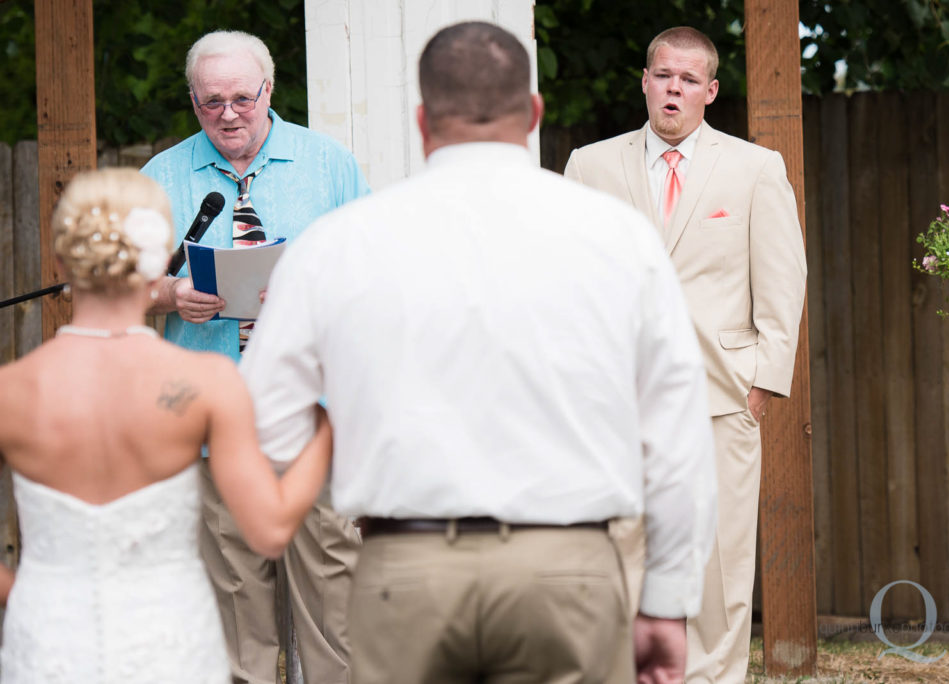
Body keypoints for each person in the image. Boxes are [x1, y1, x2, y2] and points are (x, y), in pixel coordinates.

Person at [239, 20, 717, 684]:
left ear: (421, 119)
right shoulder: (620, 239)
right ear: (535, 115)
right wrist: (666, 600)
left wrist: (351, 450)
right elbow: (678, 433)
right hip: (569, 572)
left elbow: (265, 420)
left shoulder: (336, 245)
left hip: (404, 572)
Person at [0, 168, 332, 683]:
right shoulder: (207, 383)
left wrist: (26, 594)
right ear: (161, 265)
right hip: (170, 643)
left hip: (46, 640)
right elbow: (268, 529)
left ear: (62, 261)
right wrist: (326, 432)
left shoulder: (10, 392)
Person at [563, 26, 808, 684]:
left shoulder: (754, 169)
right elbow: (569, 281)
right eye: (663, 75)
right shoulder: (590, 167)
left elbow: (784, 281)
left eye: (689, 80)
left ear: (711, 91)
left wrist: (764, 381)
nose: (674, 89)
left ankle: (713, 678)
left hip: (724, 396)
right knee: (620, 549)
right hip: (618, 398)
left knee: (719, 559)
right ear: (645, 81)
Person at [141, 30, 369, 684]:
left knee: (337, 622)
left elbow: (378, 280)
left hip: (314, 422)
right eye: (211, 102)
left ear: (269, 91)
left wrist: (310, 290)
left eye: (243, 97)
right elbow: (119, 289)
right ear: (192, 101)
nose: (229, 114)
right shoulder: (162, 177)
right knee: (237, 626)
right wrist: (170, 294)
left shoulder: (328, 165)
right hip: (213, 428)